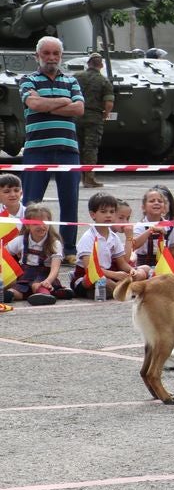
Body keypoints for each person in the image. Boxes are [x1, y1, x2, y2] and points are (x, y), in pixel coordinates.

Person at [20, 36, 84, 260]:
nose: (51, 57)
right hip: (37, 149)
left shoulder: (72, 81)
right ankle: (27, 248)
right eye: (46, 53)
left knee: (70, 202)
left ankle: (69, 250)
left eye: (55, 53)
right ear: (38, 56)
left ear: (61, 56)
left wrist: (47, 105)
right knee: (30, 202)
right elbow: (34, 104)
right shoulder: (28, 80)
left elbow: (79, 109)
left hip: (68, 150)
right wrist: (64, 101)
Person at [73, 192, 147, 298]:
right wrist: (115, 275)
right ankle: (122, 290)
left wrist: (131, 270)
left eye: (112, 212)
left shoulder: (113, 237)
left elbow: (122, 262)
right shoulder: (88, 237)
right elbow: (90, 269)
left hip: (108, 275)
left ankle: (117, 289)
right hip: (86, 278)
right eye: (103, 212)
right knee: (100, 279)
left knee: (140, 273)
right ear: (93, 214)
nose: (108, 215)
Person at [3, 204, 67, 305]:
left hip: (44, 276)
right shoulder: (20, 240)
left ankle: (45, 295)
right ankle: (56, 293)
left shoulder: (54, 243)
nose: (41, 226)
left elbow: (55, 268)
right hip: (24, 276)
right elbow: (3, 254)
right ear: (27, 225)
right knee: (14, 292)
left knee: (37, 286)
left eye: (44, 222)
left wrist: (48, 281)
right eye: (36, 223)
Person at [74, 52, 113, 188]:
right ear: (101, 65)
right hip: (94, 117)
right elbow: (108, 103)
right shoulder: (104, 80)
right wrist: (105, 114)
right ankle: (89, 179)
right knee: (90, 148)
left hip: (76, 115)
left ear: (88, 64)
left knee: (76, 147)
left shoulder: (77, 77)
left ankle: (75, 177)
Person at [131, 187, 174, 275]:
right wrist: (150, 230)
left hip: (163, 264)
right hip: (144, 265)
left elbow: (173, 248)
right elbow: (134, 245)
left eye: (160, 201)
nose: (156, 203)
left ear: (164, 208)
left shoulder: (170, 226)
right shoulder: (140, 226)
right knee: (140, 273)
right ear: (144, 208)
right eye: (152, 201)